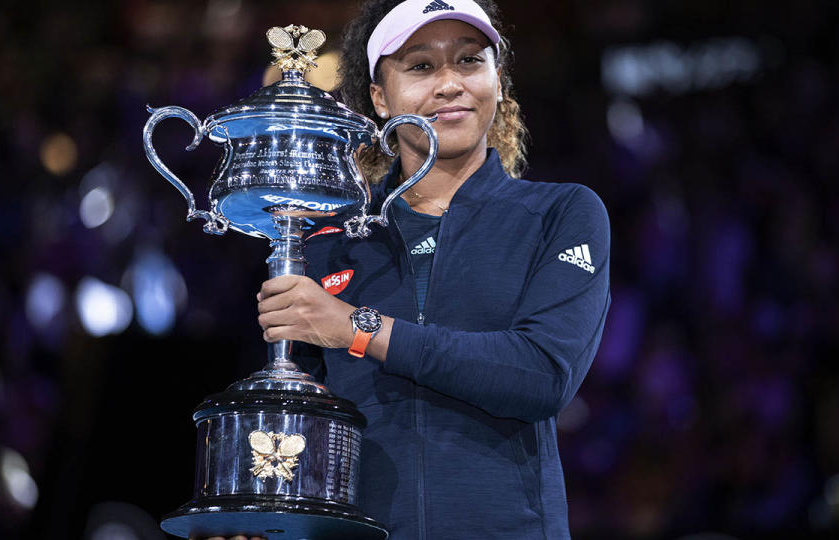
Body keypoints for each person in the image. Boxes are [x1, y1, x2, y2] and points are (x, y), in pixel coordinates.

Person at [252, 0, 611, 537]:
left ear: (497, 79)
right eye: (421, 66)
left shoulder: (561, 214)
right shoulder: (326, 242)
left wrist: (358, 329)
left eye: (470, 61)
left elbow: (540, 375)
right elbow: (298, 424)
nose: (449, 84)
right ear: (379, 97)